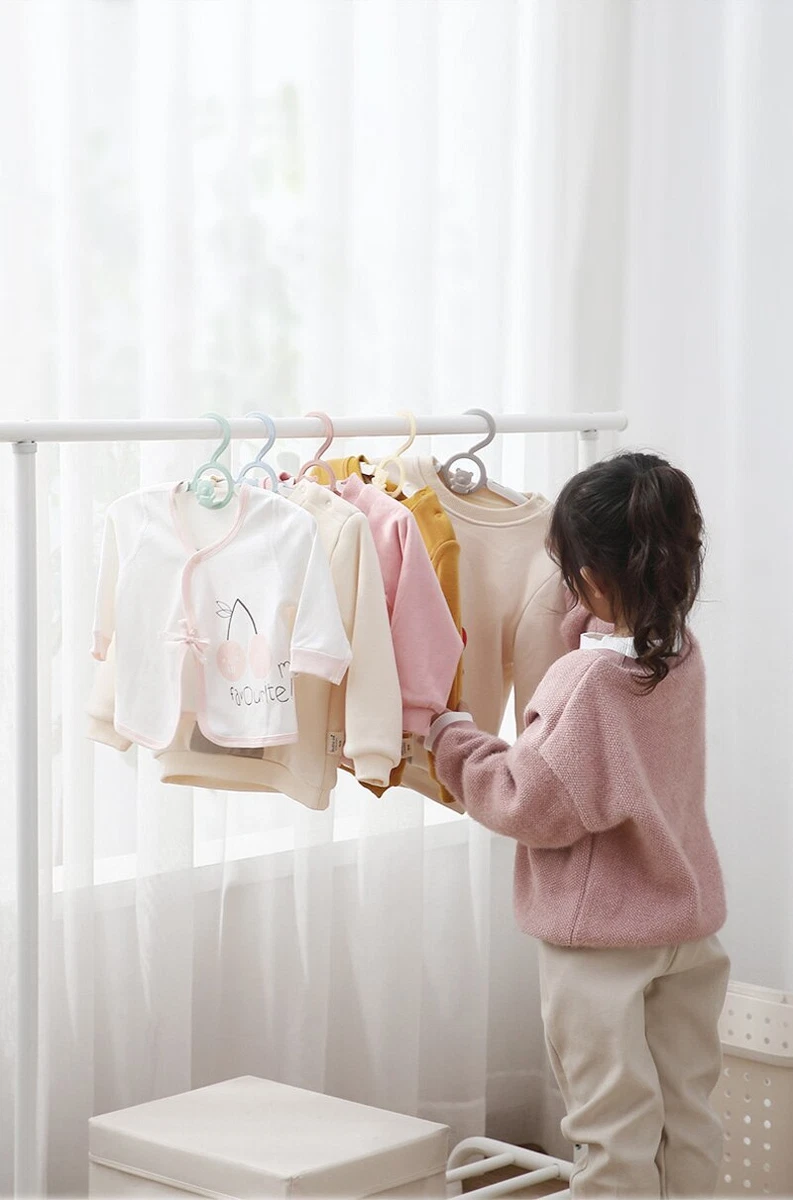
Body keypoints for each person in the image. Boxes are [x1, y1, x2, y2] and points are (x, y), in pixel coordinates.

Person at [425, 452, 729, 1198]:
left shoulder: (584, 681)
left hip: (601, 946)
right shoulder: (677, 653)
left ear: (588, 578)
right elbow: (612, 748)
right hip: (683, 928)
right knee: (686, 1116)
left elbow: (529, 802)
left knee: (611, 1135)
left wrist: (452, 740)